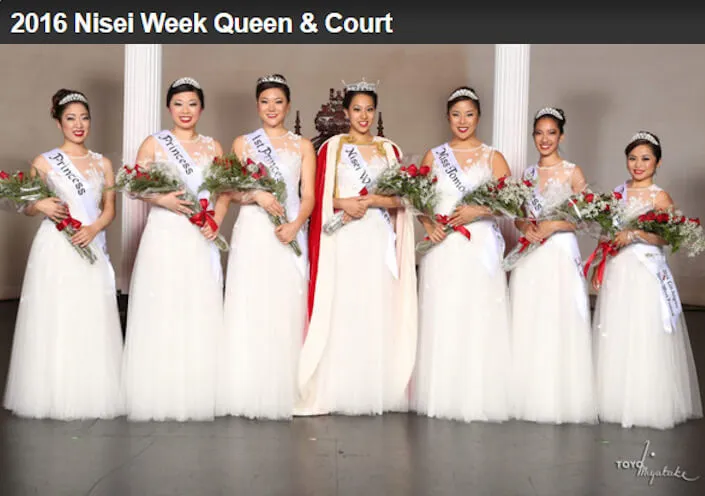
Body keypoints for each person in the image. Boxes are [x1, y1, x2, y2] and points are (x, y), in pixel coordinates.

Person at [295, 79, 417, 416]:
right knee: (344, 308)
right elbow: (316, 196)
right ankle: (339, 388)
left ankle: (374, 387)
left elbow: (401, 199)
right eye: (357, 109)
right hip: (343, 236)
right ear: (346, 112)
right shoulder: (331, 148)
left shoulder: (389, 150)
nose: (363, 116)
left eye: (369, 110)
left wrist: (375, 199)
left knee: (376, 307)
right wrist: (342, 202)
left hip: (377, 237)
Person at [3, 89, 123, 419]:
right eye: (70, 118)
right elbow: (27, 206)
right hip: (56, 247)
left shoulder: (104, 163)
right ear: (58, 123)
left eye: (84, 117)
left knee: (91, 313)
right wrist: (38, 204)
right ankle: (52, 392)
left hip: (90, 241)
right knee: (58, 314)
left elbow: (109, 209)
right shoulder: (44, 162)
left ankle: (92, 391)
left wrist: (94, 228)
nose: (79, 124)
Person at [121, 77, 225, 421]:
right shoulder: (155, 143)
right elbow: (135, 186)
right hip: (164, 233)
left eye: (192, 104)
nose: (185, 111)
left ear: (202, 108)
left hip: (199, 235)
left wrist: (217, 221)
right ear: (169, 107)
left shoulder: (214, 146)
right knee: (163, 303)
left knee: (198, 303)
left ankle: (199, 385)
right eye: (179, 104)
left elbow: (225, 190)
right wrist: (162, 198)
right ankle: (157, 386)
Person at [215, 74, 316, 420]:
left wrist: (295, 225)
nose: (271, 108)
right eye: (264, 102)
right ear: (257, 106)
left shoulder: (303, 146)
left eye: (278, 101)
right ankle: (246, 388)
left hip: (288, 232)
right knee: (251, 302)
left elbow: (308, 196)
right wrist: (256, 194)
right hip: (254, 230)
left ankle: (287, 387)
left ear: (288, 105)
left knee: (286, 304)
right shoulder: (243, 142)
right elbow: (228, 191)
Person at [412, 86, 513, 422]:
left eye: (469, 114)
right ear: (448, 118)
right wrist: (428, 225)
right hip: (443, 245)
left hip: (479, 244)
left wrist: (477, 212)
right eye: (456, 114)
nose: (463, 121)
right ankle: (442, 392)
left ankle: (478, 392)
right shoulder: (434, 155)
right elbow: (419, 201)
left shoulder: (492, 157)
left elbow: (510, 202)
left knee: (478, 312)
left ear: (479, 116)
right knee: (444, 312)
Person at [591, 131, 703, 429]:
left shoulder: (660, 196)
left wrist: (636, 234)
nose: (638, 165)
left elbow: (667, 237)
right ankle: (612, 400)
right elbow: (606, 232)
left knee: (644, 330)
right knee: (617, 329)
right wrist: (598, 262)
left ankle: (645, 402)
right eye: (632, 158)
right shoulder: (618, 192)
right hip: (618, 269)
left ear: (658, 162)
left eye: (645, 159)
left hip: (645, 271)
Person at [509, 107, 597, 424]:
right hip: (532, 251)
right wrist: (525, 228)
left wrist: (554, 226)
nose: (545, 139)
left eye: (551, 133)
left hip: (559, 251)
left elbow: (587, 220)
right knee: (530, 316)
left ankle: (563, 395)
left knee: (560, 317)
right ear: (534, 136)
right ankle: (527, 392)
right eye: (539, 133)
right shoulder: (528, 175)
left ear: (561, 135)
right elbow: (519, 215)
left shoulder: (573, 172)